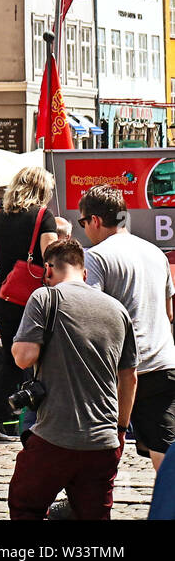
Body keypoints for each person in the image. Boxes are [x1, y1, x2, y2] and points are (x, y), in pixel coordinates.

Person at [7, 237, 137, 521]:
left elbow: (23, 357)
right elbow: (129, 377)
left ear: (49, 270)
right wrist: (121, 429)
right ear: (85, 273)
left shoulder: (44, 298)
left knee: (25, 506)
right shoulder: (118, 310)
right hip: (103, 442)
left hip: (54, 436)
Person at [79, 184, 175, 471]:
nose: (83, 229)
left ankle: (85, 505)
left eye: (83, 222)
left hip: (119, 371)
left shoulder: (96, 257)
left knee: (96, 444)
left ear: (95, 220)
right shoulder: (155, 253)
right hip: (163, 362)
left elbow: (92, 314)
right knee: (164, 450)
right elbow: (170, 312)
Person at [0, 165, 58, 440]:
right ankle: (39, 421)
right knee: (43, 359)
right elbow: (53, 262)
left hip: (5, 298)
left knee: (12, 360)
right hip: (36, 301)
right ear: (42, 190)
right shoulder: (43, 217)